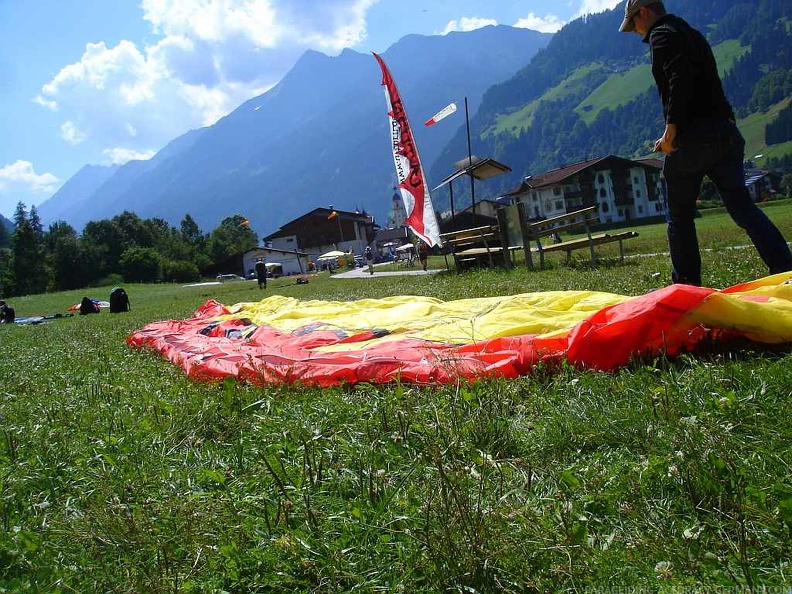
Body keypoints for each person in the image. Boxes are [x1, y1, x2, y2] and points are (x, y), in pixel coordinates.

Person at [619, 0, 792, 286]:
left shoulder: (661, 35)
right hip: (725, 133)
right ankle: (786, 269)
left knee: (680, 218)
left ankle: (686, 291)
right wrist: (729, 121)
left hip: (692, 140)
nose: (636, 32)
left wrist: (670, 133)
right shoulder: (693, 34)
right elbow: (710, 82)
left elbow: (679, 79)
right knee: (743, 207)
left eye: (634, 23)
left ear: (645, 13)